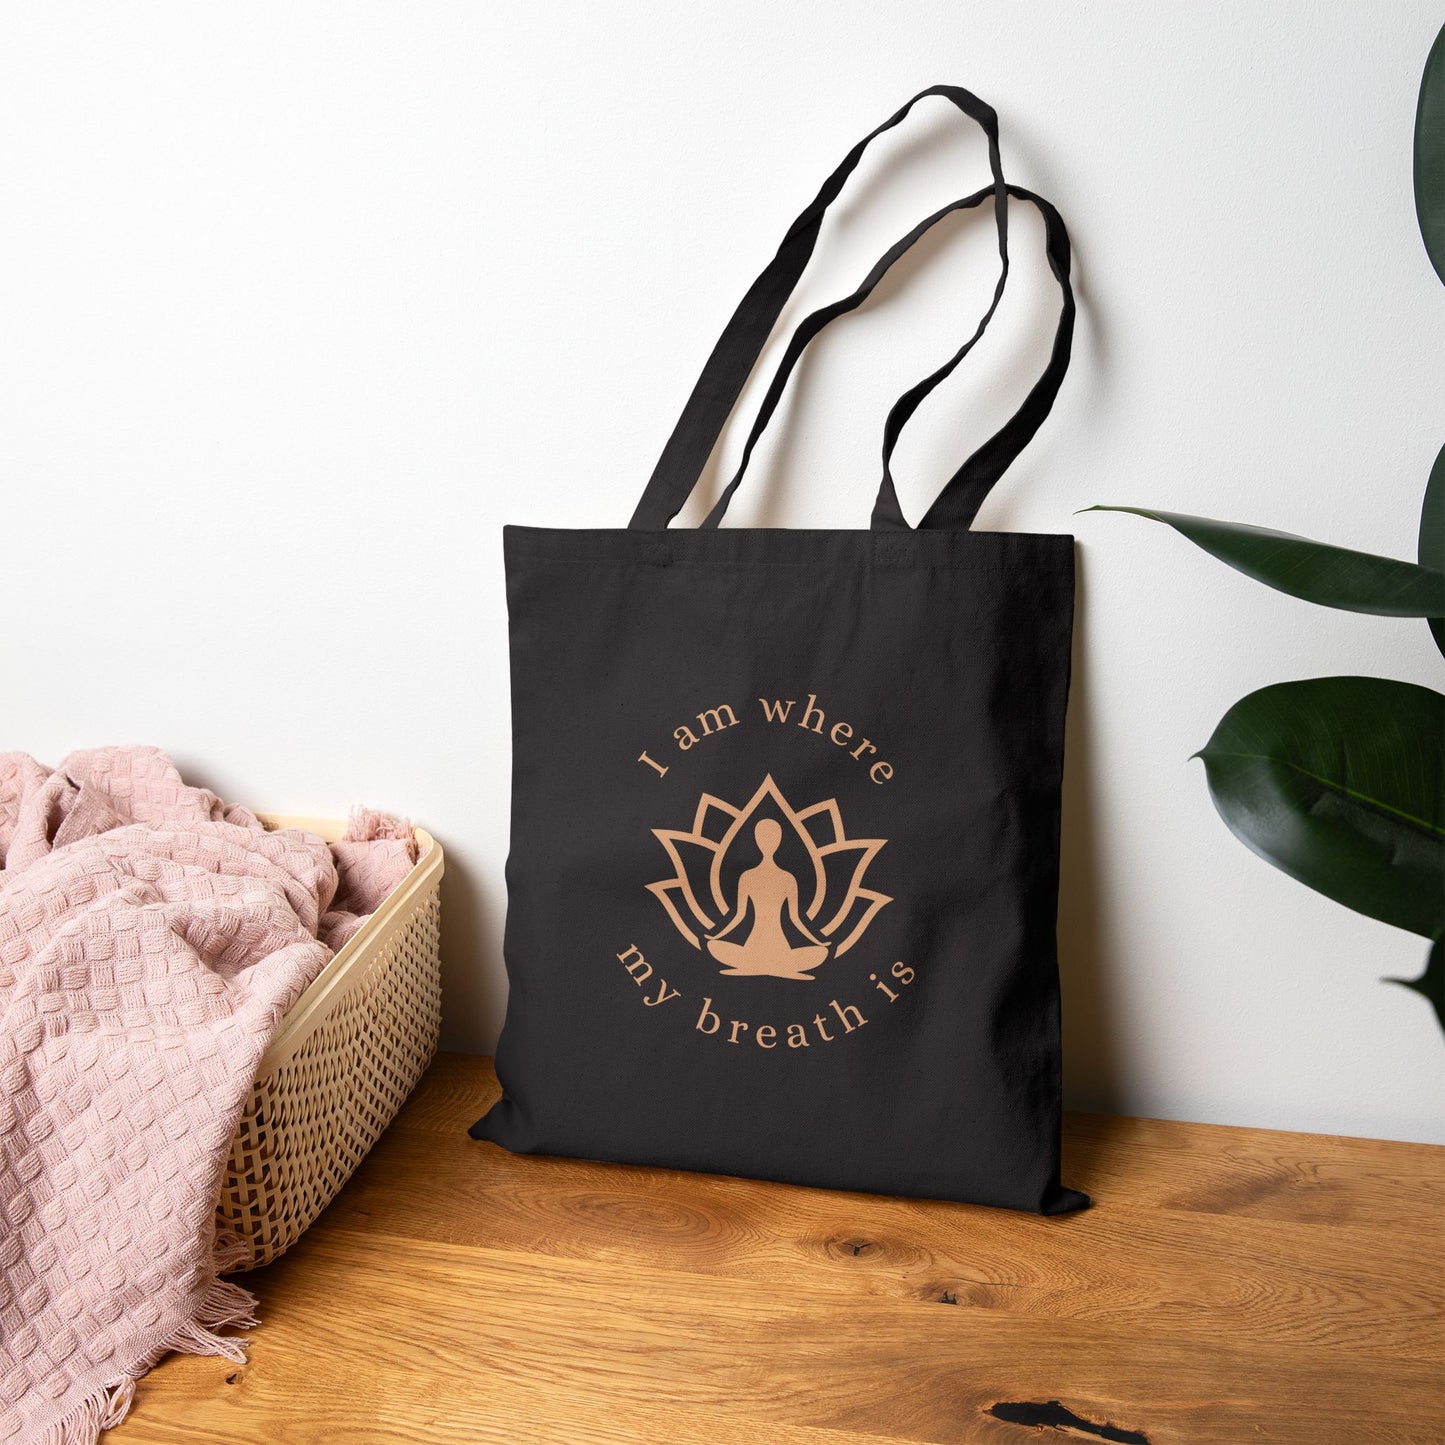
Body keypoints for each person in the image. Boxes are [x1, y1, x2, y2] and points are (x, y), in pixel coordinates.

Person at [706, 818, 829, 980]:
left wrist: (818, 940)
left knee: (821, 952)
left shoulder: (788, 878)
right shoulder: (747, 877)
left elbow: (795, 918)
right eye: (763, 837)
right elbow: (739, 915)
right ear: (756, 840)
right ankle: (774, 966)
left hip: (779, 948)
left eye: (772, 837)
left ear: (779, 841)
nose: (767, 842)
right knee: (713, 945)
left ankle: (758, 965)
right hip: (753, 947)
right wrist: (716, 936)